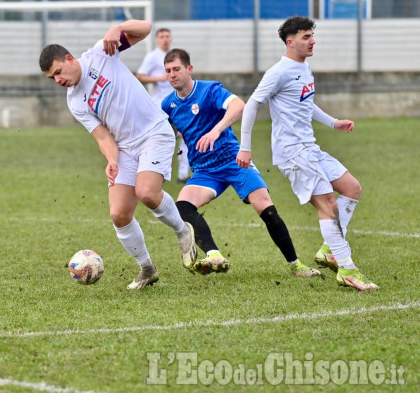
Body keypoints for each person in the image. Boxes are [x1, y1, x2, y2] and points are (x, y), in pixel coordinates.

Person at [39, 20, 197, 290]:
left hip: (154, 133)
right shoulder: (74, 101)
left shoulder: (101, 53)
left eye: (57, 72)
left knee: (147, 192)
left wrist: (117, 28)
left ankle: (183, 230)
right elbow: (102, 136)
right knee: (119, 215)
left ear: (68, 59)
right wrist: (112, 160)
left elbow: (145, 28)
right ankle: (147, 268)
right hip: (124, 147)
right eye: (52, 78)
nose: (57, 80)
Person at [236, 16, 378, 291]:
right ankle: (347, 269)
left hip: (310, 147)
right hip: (292, 152)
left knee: (351, 188)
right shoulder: (279, 71)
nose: (312, 40)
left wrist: (333, 122)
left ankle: (329, 250)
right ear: (290, 42)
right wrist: (245, 146)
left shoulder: (305, 68)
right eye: (305, 37)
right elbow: (252, 104)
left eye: (312, 35)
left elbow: (306, 104)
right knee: (328, 205)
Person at [161, 48, 320, 278]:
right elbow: (162, 132)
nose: (172, 74)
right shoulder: (169, 104)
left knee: (266, 208)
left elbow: (239, 106)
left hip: (234, 160)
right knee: (183, 206)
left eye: (177, 69)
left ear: (189, 69)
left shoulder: (209, 90)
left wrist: (215, 131)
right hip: (205, 170)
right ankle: (214, 254)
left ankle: (296, 265)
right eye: (168, 71)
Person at [136, 28, 191, 182]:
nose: (165, 39)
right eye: (162, 37)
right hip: (160, 105)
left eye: (167, 36)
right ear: (157, 40)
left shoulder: (175, 56)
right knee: (161, 140)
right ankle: (158, 173)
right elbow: (140, 76)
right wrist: (158, 78)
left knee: (185, 136)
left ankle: (183, 174)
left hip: (179, 103)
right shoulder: (152, 57)